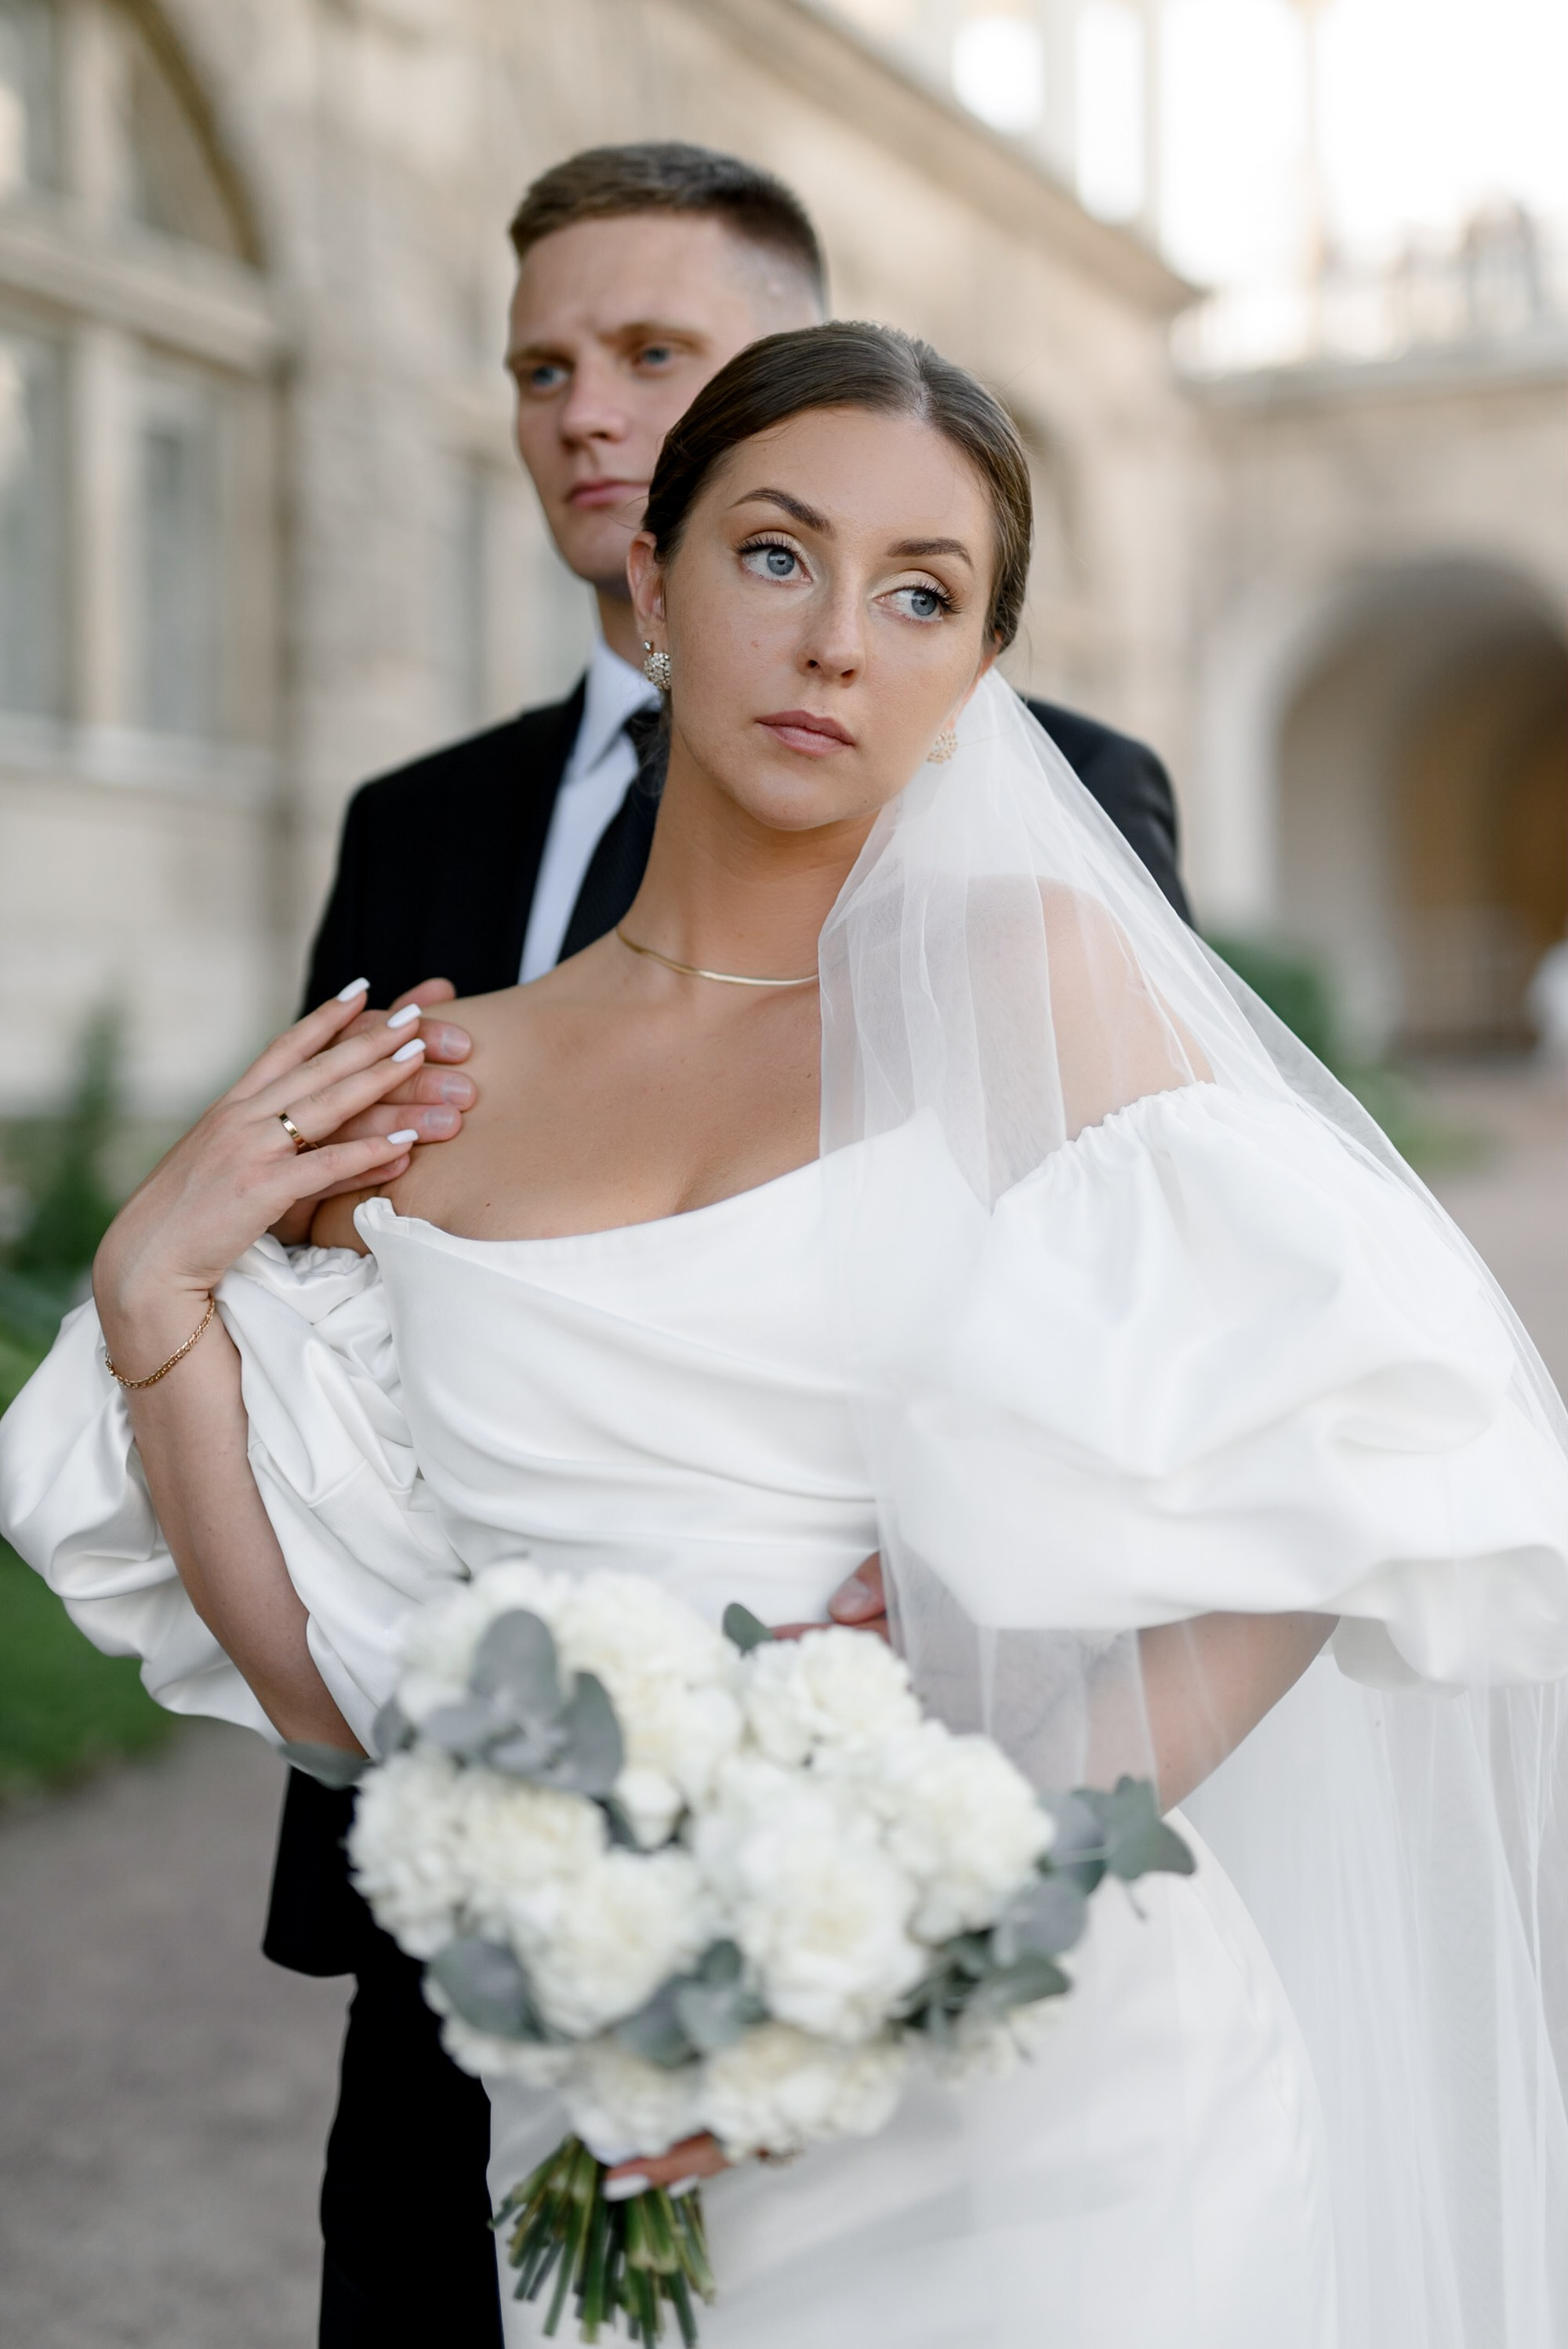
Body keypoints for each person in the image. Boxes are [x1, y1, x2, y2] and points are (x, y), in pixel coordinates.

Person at [5, 321, 1566, 2349]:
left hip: (1041, 2096)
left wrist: (916, 1908)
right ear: (648, 580)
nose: (841, 638)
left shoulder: (1046, 991)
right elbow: (347, 1699)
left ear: (979, 670)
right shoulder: (438, 1075)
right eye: (776, 553)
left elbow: (1333, 1485)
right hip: (609, 2102)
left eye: (922, 592)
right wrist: (153, 1309)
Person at [261, 138, 1195, 2338]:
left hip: (858, 1830)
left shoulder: (1057, 797)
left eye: (654, 357)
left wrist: (857, 1826)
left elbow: (1115, 1335)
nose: (586, 412)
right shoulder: (419, 824)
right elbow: (340, 1302)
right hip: (452, 1856)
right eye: (540, 367)